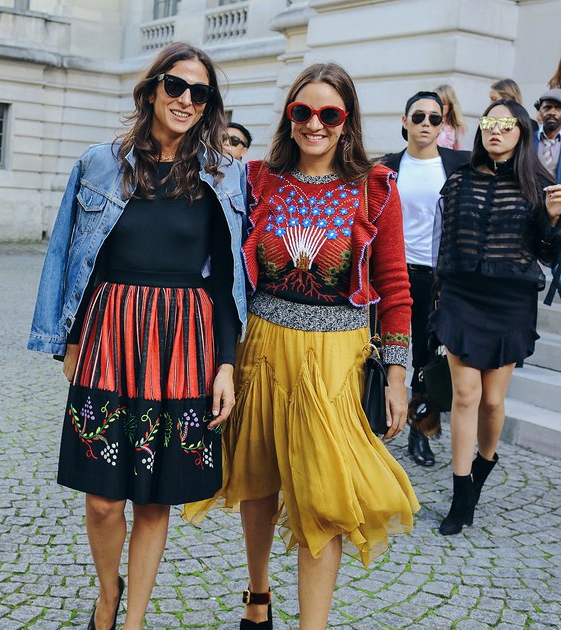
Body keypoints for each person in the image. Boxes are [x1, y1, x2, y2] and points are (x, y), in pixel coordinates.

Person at [183, 62, 419, 630]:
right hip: (263, 349)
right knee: (259, 480)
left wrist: (396, 374)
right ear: (289, 117)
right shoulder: (258, 179)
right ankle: (257, 597)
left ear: (347, 122)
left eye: (329, 114)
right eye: (303, 111)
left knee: (324, 498)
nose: (315, 123)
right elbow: (224, 266)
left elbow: (394, 286)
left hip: (336, 358)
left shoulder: (376, 187)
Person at [27, 42, 247, 630]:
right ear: (151, 89)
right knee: (102, 498)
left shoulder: (223, 178)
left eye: (200, 93)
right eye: (176, 86)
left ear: (209, 105)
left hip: (184, 342)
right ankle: (108, 594)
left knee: (155, 497)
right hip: (110, 332)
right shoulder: (101, 163)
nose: (185, 100)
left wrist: (227, 364)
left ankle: (132, 620)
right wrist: (68, 335)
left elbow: (227, 282)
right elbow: (73, 255)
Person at [430, 99, 561, 536]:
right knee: (465, 394)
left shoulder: (538, 185)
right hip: (463, 295)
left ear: (521, 131)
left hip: (510, 301)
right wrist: (439, 298)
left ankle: (484, 465)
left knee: (491, 400)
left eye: (506, 125)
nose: (496, 131)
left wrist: (555, 221)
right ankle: (460, 490)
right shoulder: (460, 179)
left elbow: (548, 255)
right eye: (490, 123)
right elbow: (444, 243)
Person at [380, 91, 470, 467]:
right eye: (419, 117)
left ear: (443, 124)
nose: (426, 125)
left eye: (435, 119)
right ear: (405, 121)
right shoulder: (386, 166)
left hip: (437, 278)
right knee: (386, 351)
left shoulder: (458, 165)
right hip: (392, 274)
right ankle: (376, 420)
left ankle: (421, 432)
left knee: (427, 360)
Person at [534, 88, 561, 183]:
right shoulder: (527, 140)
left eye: (558, 108)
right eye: (547, 107)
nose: (552, 112)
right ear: (539, 110)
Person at [434, 84, 466, 150]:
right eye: (437, 103)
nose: (439, 107)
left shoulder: (456, 128)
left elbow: (457, 150)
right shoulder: (429, 123)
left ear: (450, 105)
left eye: (443, 104)